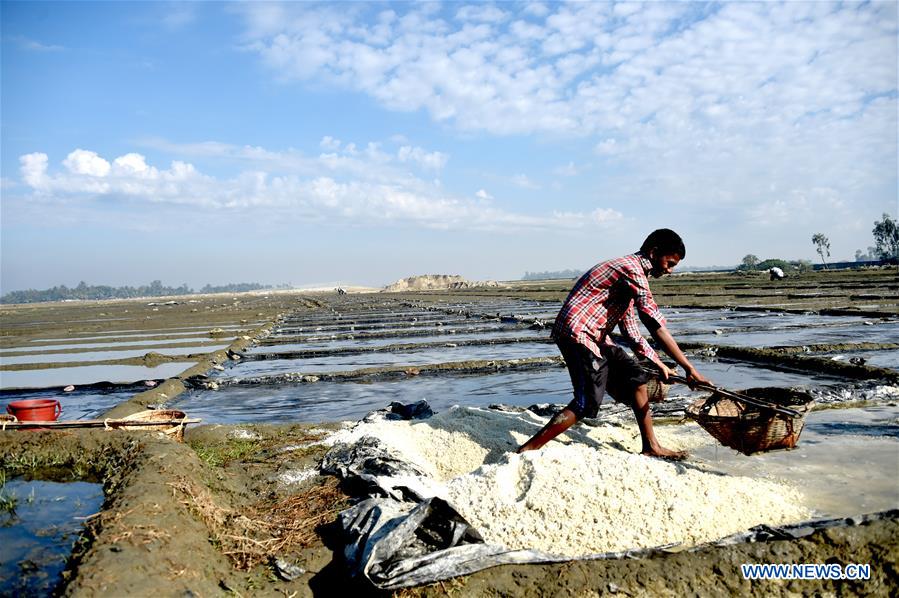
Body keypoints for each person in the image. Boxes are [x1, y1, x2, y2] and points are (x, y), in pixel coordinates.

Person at [517, 229, 711, 459]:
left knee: (637, 378)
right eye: (669, 263)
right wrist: (690, 369)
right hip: (579, 335)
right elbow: (654, 325)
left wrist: (658, 363)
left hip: (597, 337)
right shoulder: (632, 270)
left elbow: (631, 331)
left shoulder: (631, 278)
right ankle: (526, 450)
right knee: (585, 401)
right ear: (654, 252)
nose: (669, 270)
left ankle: (651, 446)